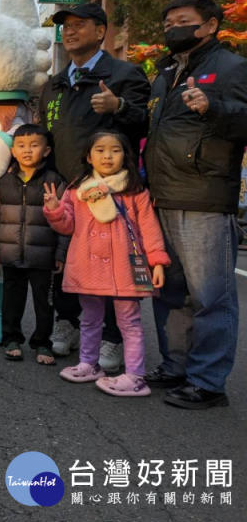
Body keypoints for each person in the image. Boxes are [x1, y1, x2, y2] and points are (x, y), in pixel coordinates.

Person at [143, 0, 247, 409]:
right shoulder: (165, 72)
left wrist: (214, 107)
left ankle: (207, 382)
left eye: (182, 21)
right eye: (168, 23)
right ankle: (177, 367)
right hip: (161, 195)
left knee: (211, 297)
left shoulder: (231, 69)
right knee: (171, 292)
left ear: (209, 26)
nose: (173, 28)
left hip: (203, 197)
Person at [38, 1, 151, 367]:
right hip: (66, 190)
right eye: (65, 26)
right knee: (68, 262)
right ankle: (67, 323)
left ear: (101, 32)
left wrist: (118, 106)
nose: (69, 31)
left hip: (111, 194)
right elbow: (46, 133)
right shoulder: (55, 84)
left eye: (79, 25)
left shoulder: (124, 74)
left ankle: (113, 337)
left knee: (113, 267)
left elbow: (146, 125)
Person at [44, 131, 169, 397]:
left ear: (126, 155)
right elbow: (66, 226)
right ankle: (89, 364)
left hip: (124, 267)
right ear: (88, 157)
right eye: (100, 150)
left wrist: (156, 261)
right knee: (89, 318)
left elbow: (149, 228)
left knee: (130, 322)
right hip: (87, 266)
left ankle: (135, 375)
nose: (107, 156)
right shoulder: (77, 189)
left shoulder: (134, 190)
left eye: (115, 150)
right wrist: (55, 209)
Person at [0, 124, 67, 364]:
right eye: (21, 146)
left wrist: (61, 253)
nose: (27, 151)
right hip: (10, 252)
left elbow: (64, 221)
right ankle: (11, 338)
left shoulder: (54, 181)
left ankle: (42, 342)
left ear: (47, 150)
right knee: (11, 298)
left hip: (44, 256)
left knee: (44, 301)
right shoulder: (3, 181)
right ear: (13, 150)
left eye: (34, 145)